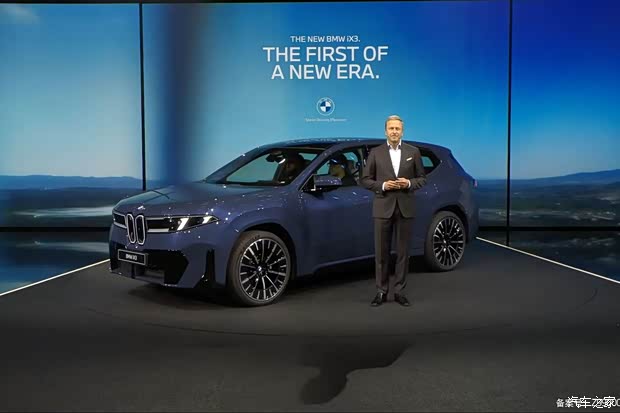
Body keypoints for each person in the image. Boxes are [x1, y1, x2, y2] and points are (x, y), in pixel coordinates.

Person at [360, 115, 427, 307]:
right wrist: (383, 185)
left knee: (403, 253)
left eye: (397, 129)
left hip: (405, 207)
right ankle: (381, 291)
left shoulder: (413, 152)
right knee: (381, 253)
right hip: (383, 207)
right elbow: (365, 180)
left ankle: (399, 291)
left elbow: (422, 178)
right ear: (385, 131)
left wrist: (409, 183)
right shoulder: (376, 153)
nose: (394, 132)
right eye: (391, 128)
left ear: (402, 131)